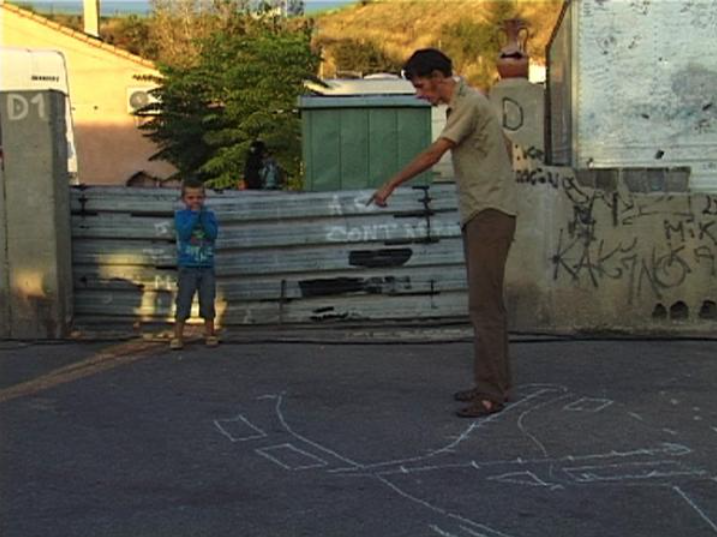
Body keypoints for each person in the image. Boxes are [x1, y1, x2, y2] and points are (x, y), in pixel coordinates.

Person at [368, 49, 517, 419]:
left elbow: (435, 153)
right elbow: (507, 146)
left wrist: (390, 184)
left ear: (438, 76)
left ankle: (490, 394)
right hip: (484, 210)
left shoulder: (468, 103)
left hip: (489, 212)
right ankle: (494, 382)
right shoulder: (468, 105)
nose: (420, 94)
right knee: (488, 305)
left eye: (421, 86)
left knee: (484, 306)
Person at [171, 177, 220, 350]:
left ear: (204, 198)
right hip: (187, 267)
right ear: (184, 199)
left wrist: (202, 217)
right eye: (191, 198)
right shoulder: (180, 216)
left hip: (206, 267)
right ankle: (177, 336)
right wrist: (193, 216)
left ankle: (210, 333)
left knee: (208, 301)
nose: (195, 201)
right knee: (183, 301)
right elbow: (184, 234)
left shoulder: (209, 216)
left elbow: (212, 234)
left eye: (199, 197)